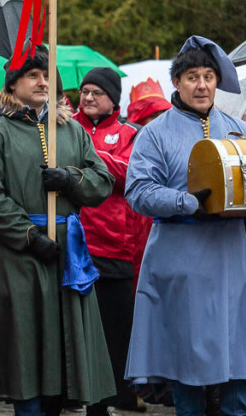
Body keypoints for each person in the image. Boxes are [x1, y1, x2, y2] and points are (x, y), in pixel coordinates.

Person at [124, 36, 246, 414]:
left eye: (209, 76)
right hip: (181, 267)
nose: (202, 85)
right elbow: (137, 191)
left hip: (232, 263)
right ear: (177, 83)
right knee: (187, 378)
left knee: (238, 372)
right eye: (192, 76)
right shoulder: (155, 133)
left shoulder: (238, 130)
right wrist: (188, 203)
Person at [0, 45, 116, 415]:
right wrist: (28, 235)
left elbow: (102, 182)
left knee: (62, 365)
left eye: (47, 75)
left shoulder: (73, 130)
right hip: (18, 258)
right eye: (33, 74)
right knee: (25, 360)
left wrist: (70, 178)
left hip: (66, 257)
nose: (42, 81)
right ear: (12, 84)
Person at [70, 67, 151, 415]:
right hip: (72, 245)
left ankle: (110, 399)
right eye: (84, 91)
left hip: (114, 247)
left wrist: (88, 154)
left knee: (113, 336)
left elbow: (128, 174)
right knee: (77, 333)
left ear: (113, 99)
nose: (88, 97)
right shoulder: (64, 128)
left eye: (96, 92)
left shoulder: (130, 133)